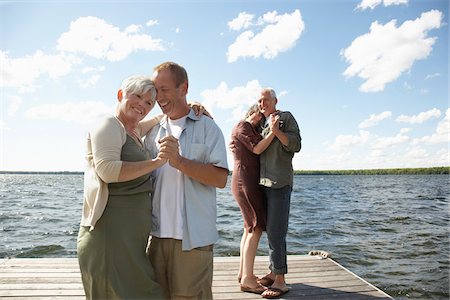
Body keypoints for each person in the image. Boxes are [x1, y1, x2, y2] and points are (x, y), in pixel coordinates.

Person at [144, 61, 229, 300]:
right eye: (155, 90)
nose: (158, 97)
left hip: (193, 241)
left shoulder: (208, 127)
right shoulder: (152, 131)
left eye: (164, 89)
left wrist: (179, 161)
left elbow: (221, 178)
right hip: (156, 238)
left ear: (184, 88)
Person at [77, 75, 165, 299]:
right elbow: (106, 169)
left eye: (148, 102)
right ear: (120, 95)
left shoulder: (132, 130)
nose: (142, 105)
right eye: (137, 96)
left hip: (130, 239)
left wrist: (176, 110)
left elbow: (147, 123)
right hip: (110, 236)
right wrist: (156, 163)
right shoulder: (108, 124)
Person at [256, 88, 301, 299]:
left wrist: (277, 131)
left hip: (280, 183)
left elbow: (296, 145)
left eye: (265, 100)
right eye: (259, 100)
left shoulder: (285, 118)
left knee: (277, 232)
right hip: (263, 184)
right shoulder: (261, 122)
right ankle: (273, 271)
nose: (261, 103)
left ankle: (281, 282)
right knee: (269, 231)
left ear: (275, 100)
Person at [229, 104, 275, 294]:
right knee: (255, 227)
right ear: (251, 112)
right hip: (245, 179)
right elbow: (257, 149)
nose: (260, 117)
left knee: (249, 227)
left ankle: (243, 273)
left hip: (247, 178)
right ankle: (248, 280)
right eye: (258, 113)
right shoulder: (243, 125)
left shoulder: (248, 128)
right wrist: (273, 132)